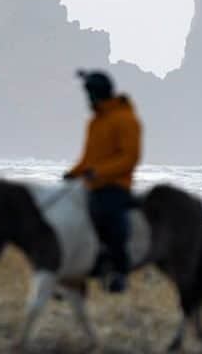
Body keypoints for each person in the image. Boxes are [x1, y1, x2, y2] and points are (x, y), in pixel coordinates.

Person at [64, 69, 142, 293]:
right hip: (93, 185)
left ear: (98, 94)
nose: (87, 100)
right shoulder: (95, 123)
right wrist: (72, 173)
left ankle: (119, 272)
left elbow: (129, 158)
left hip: (116, 186)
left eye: (89, 94)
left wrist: (97, 172)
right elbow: (88, 160)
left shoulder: (125, 119)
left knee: (108, 217)